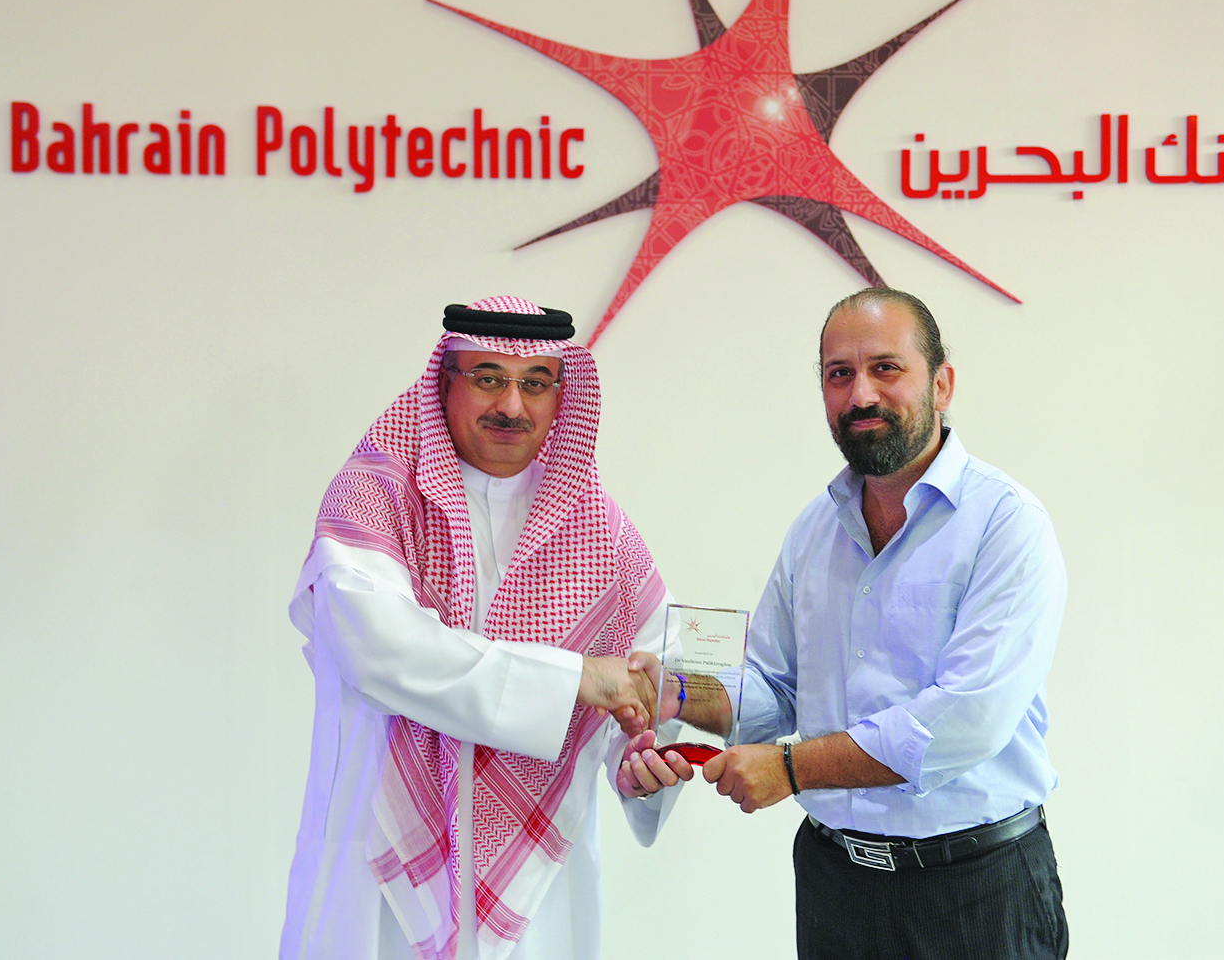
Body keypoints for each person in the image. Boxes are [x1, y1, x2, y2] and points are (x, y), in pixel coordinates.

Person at [621, 288, 1069, 959]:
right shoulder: (814, 529)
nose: (860, 394)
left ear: (942, 384)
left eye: (886, 368)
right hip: (835, 884)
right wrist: (674, 692)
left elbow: (967, 719)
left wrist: (792, 768)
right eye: (839, 374)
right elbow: (774, 689)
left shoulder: (1006, 524)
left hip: (976, 891)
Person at [280, 296, 679, 960]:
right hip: (378, 852)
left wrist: (635, 764)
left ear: (561, 395)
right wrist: (577, 677)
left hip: (538, 887)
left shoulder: (600, 529)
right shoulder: (373, 497)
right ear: (445, 381)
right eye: (489, 377)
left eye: (536, 383)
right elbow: (381, 651)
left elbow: (652, 678)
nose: (513, 405)